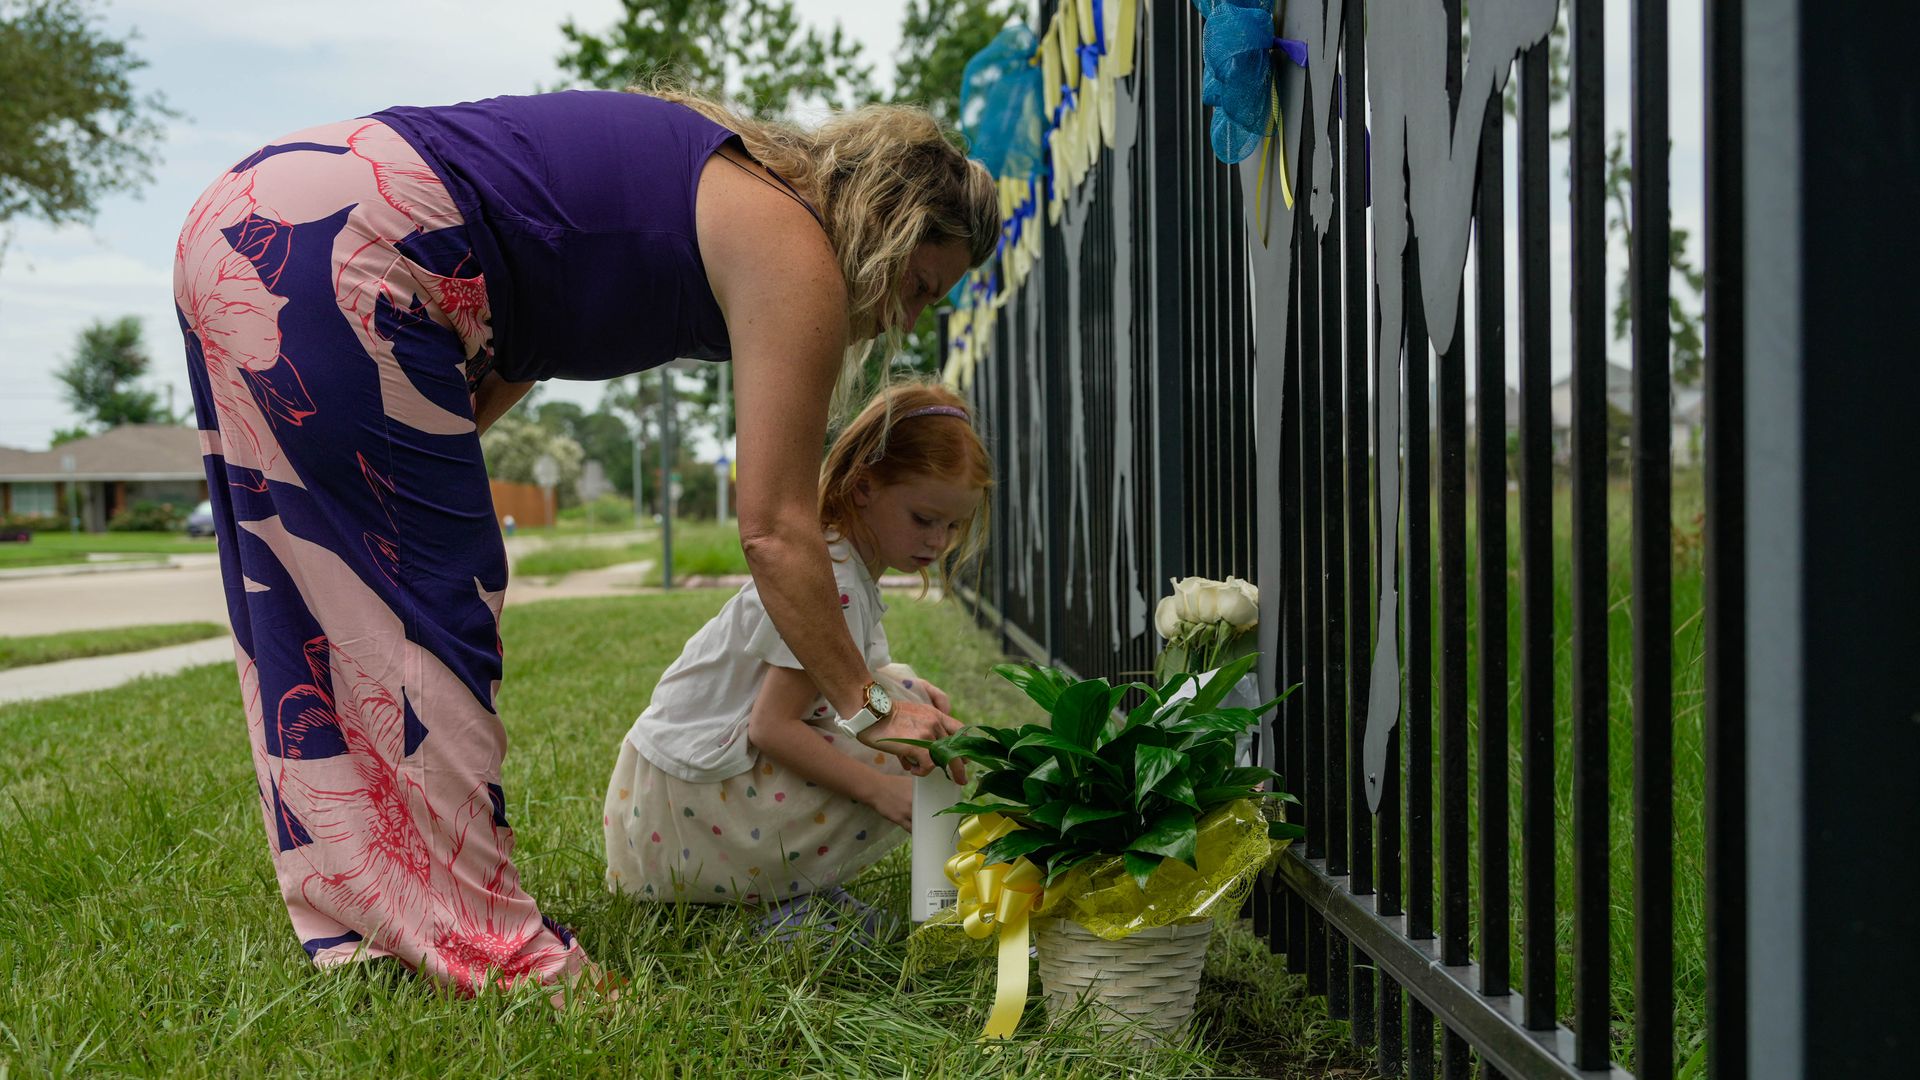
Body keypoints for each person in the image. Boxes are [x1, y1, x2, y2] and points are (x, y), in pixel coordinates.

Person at [171, 87, 997, 994]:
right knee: (428, 620)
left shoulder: (733, 188)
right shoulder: (797, 244)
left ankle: (365, 925)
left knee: (313, 604)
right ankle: (496, 956)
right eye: (920, 285)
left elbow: (538, 306)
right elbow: (774, 527)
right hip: (353, 240)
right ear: (888, 222)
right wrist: (869, 706)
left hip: (261, 217)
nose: (909, 319)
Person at [603, 383, 990, 927]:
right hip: (690, 811)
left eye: (953, 525)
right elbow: (772, 727)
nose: (938, 541)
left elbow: (852, 686)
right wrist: (881, 793)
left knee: (904, 701)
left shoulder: (839, 560)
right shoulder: (832, 581)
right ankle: (776, 902)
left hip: (681, 798)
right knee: (897, 744)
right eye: (924, 518)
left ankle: (792, 885)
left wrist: (910, 692)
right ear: (862, 488)